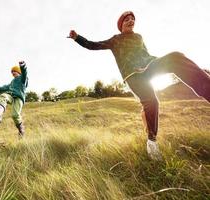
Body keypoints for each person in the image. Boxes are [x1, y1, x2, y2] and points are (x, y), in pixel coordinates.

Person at [68, 11, 210, 160]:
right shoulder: (116, 40)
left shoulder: (138, 37)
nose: (131, 21)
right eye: (127, 20)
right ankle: (151, 142)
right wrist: (77, 38)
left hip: (148, 67)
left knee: (176, 56)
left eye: (133, 19)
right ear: (121, 24)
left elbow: (146, 55)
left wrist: (163, 62)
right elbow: (93, 45)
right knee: (151, 101)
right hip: (133, 76)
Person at [0, 61, 28, 138]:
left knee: (15, 115)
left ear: (19, 72)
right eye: (12, 72)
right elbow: (5, 87)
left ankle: (21, 129)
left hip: (19, 98)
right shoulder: (12, 82)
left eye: (14, 71)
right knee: (3, 96)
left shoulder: (22, 79)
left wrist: (23, 66)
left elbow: (25, 73)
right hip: (11, 96)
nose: (13, 73)